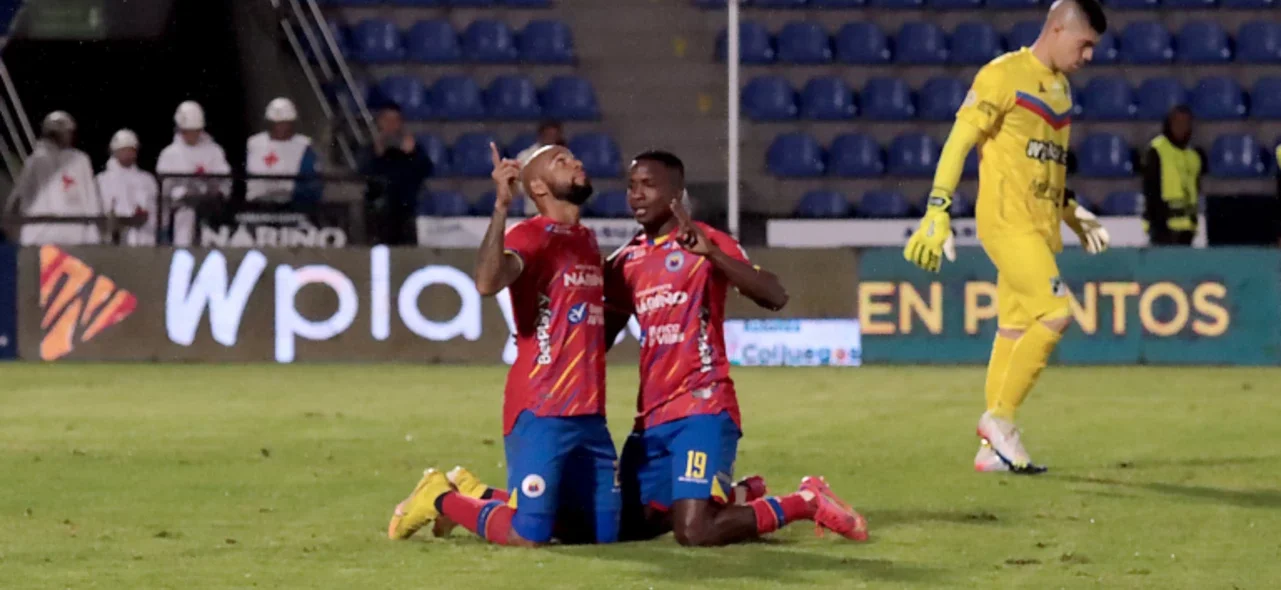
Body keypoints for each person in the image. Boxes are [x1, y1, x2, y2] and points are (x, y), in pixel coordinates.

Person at [601, 151, 867, 546]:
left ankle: (804, 501)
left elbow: (775, 294)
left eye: (649, 185)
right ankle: (738, 496)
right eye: (631, 186)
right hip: (651, 419)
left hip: (702, 407)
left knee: (694, 532)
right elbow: (601, 335)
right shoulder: (626, 260)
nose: (636, 195)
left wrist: (712, 254)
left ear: (677, 193)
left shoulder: (707, 242)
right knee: (619, 528)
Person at [902, 0, 1112, 474]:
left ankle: (992, 450)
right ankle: (997, 421)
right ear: (1057, 29)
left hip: (1042, 226)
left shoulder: (1059, 89)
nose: (1089, 57)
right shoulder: (1002, 74)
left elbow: (1046, 163)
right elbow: (960, 141)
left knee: (1015, 331)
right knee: (1057, 312)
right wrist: (938, 208)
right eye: (1085, 45)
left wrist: (1073, 213)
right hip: (1007, 222)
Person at [387, 142, 619, 547]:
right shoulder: (530, 235)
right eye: (560, 161)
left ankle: (474, 493)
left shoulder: (585, 238)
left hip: (589, 410)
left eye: (573, 156)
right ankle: (439, 498)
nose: (576, 161)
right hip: (542, 405)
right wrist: (500, 208)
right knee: (528, 535)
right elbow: (486, 282)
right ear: (539, 187)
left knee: (599, 533)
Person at [3, 111, 102, 245]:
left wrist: (92, 234)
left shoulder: (80, 160)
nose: (69, 136)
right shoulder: (36, 161)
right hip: (44, 234)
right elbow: (18, 198)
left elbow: (90, 199)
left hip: (76, 233)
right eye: (66, 132)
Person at [156, 100, 232, 246]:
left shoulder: (214, 150)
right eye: (187, 131)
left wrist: (212, 188)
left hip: (210, 208)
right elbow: (165, 190)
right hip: (182, 208)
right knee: (185, 220)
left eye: (195, 131)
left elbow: (225, 181)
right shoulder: (169, 154)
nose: (192, 135)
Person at [359, 103, 431, 246]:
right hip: (377, 215)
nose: (391, 125)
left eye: (395, 120)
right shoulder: (369, 149)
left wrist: (412, 154)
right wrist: (376, 154)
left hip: (406, 212)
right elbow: (361, 173)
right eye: (387, 120)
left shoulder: (413, 149)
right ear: (379, 122)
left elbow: (426, 170)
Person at [1141, 106, 1201, 246]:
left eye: (1186, 123)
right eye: (1177, 123)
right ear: (1169, 124)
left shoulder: (1194, 157)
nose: (1181, 127)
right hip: (1163, 230)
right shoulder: (1156, 150)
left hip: (1187, 230)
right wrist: (1157, 226)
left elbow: (1195, 193)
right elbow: (1150, 191)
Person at [246, 97, 322, 205]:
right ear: (269, 123)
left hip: (292, 206)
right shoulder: (253, 143)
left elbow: (311, 184)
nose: (281, 128)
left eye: (285, 123)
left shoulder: (304, 145)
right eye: (277, 123)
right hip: (256, 206)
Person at [96, 129, 159, 246]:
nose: (128, 154)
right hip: (113, 242)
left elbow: (156, 213)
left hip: (144, 240)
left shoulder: (147, 179)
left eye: (131, 150)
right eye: (124, 150)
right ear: (114, 152)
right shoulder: (102, 180)